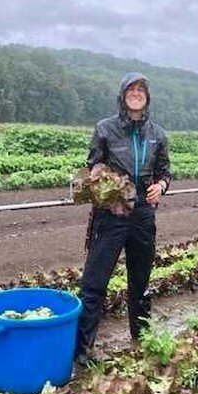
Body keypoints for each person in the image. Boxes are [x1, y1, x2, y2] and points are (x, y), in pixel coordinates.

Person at [76, 72, 171, 363]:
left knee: (140, 279)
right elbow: (92, 165)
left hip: (143, 213)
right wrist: (99, 179)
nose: (136, 93)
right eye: (131, 89)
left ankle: (140, 338)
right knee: (95, 280)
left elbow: (165, 171)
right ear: (122, 96)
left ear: (147, 97)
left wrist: (161, 186)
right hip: (112, 212)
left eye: (141, 89)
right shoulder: (105, 129)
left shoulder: (157, 134)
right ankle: (82, 348)